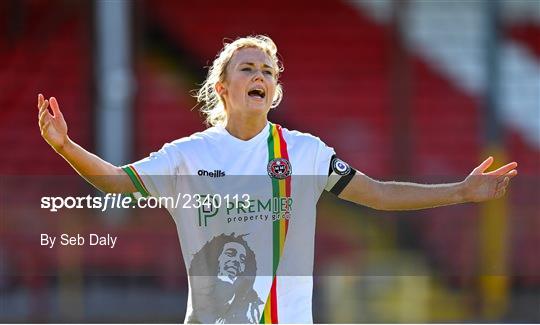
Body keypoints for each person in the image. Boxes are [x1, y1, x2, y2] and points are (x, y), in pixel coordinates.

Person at [37, 35, 518, 324]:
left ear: (273, 89)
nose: (260, 74)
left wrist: (461, 190)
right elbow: (115, 182)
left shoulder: (305, 152)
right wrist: (63, 145)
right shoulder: (188, 155)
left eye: (267, 70)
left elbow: (379, 193)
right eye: (247, 67)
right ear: (223, 89)